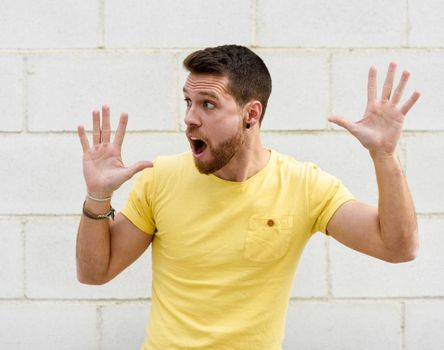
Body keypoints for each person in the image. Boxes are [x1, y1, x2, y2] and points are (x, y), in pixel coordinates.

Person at [75, 45, 420, 350]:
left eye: (208, 104)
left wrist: (384, 155)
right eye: (188, 102)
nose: (190, 118)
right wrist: (98, 196)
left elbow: (397, 247)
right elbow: (95, 273)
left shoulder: (304, 185)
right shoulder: (159, 178)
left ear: (251, 115)